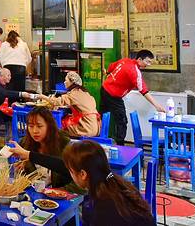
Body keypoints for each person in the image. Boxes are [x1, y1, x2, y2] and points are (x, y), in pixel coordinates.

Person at [9, 140, 154, 225]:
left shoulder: (102, 206)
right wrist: (28, 154)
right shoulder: (114, 183)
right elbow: (61, 165)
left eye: (71, 170)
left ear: (83, 174)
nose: (68, 172)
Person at [100, 49, 165, 145]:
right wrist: (157, 105)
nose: (148, 64)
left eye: (150, 62)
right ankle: (120, 146)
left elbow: (111, 66)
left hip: (104, 89)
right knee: (122, 121)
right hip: (113, 95)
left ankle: (100, 140)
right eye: (147, 61)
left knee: (104, 116)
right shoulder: (134, 71)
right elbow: (143, 90)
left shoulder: (125, 60)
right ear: (139, 59)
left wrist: (107, 73)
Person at [17, 107, 73, 189]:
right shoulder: (25, 143)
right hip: (36, 191)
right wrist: (21, 170)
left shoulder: (64, 143)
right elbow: (26, 178)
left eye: (39, 126)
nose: (35, 131)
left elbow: (73, 177)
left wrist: (58, 191)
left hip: (59, 192)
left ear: (49, 126)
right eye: (31, 126)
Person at [38, 71, 100, 138]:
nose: (64, 82)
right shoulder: (84, 93)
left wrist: (42, 97)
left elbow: (57, 102)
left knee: (57, 126)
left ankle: (58, 142)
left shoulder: (75, 93)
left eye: (66, 80)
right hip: (95, 127)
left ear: (72, 82)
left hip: (86, 128)